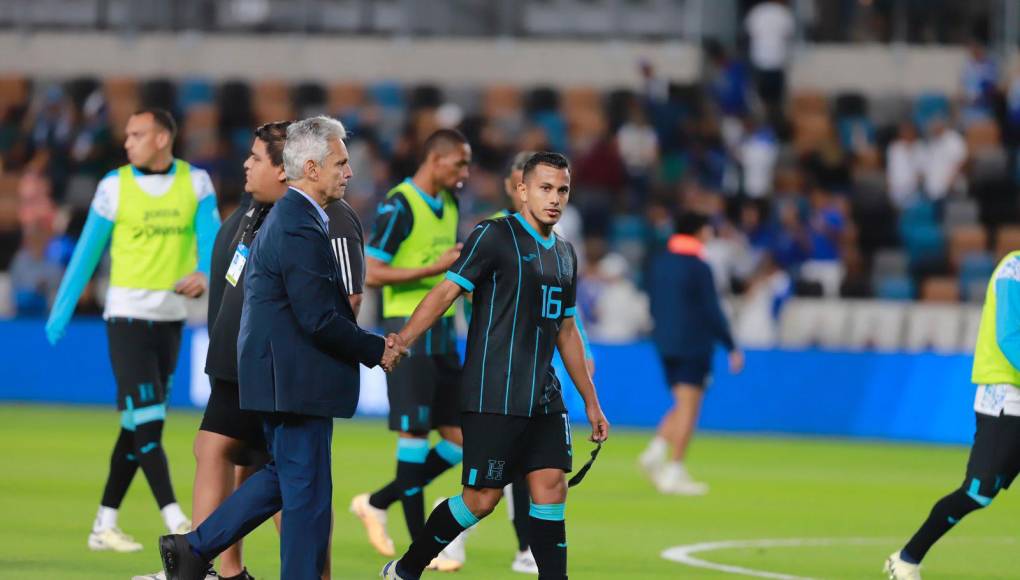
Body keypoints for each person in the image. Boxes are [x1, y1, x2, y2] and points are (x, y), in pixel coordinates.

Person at [156, 116, 406, 580]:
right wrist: (377, 350)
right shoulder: (297, 225)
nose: (350, 173)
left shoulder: (297, 218)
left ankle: (194, 548)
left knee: (285, 481)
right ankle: (200, 550)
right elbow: (318, 317)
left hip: (288, 377)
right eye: (341, 163)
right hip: (292, 379)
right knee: (306, 498)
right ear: (310, 168)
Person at [380, 151, 610, 580]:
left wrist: (591, 403)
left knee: (551, 486)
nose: (555, 198)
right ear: (522, 190)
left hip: (543, 395)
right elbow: (447, 292)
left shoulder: (565, 254)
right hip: (493, 393)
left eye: (562, 190)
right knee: (481, 500)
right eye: (545, 188)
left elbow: (565, 330)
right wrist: (404, 341)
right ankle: (406, 569)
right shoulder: (493, 235)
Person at [45, 107, 220, 552]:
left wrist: (205, 272)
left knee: (135, 425)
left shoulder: (196, 182)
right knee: (148, 422)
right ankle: (178, 520)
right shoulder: (113, 186)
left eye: (137, 134)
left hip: (171, 319)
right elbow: (87, 250)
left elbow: (214, 239)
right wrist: (61, 310)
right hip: (125, 316)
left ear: (163, 139)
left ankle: (103, 525)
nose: (127, 141)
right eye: (127, 135)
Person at [350, 129, 470, 571]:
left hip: (442, 337)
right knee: (415, 440)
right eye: (459, 163)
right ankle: (423, 549)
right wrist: (434, 268)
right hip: (407, 334)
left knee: (462, 444)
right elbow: (372, 271)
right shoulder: (399, 204)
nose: (465, 172)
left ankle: (378, 501)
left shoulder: (451, 203)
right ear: (435, 160)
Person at [884, 251, 1020, 580]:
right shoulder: (1013, 269)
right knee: (977, 493)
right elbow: (1008, 337)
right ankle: (906, 559)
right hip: (1005, 396)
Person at [639, 212, 744, 495]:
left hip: (664, 342)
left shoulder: (659, 262)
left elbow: (652, 302)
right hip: (694, 343)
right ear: (699, 232)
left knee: (682, 401)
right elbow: (712, 309)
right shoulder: (699, 266)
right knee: (690, 407)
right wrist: (731, 345)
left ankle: (657, 449)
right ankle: (674, 468)